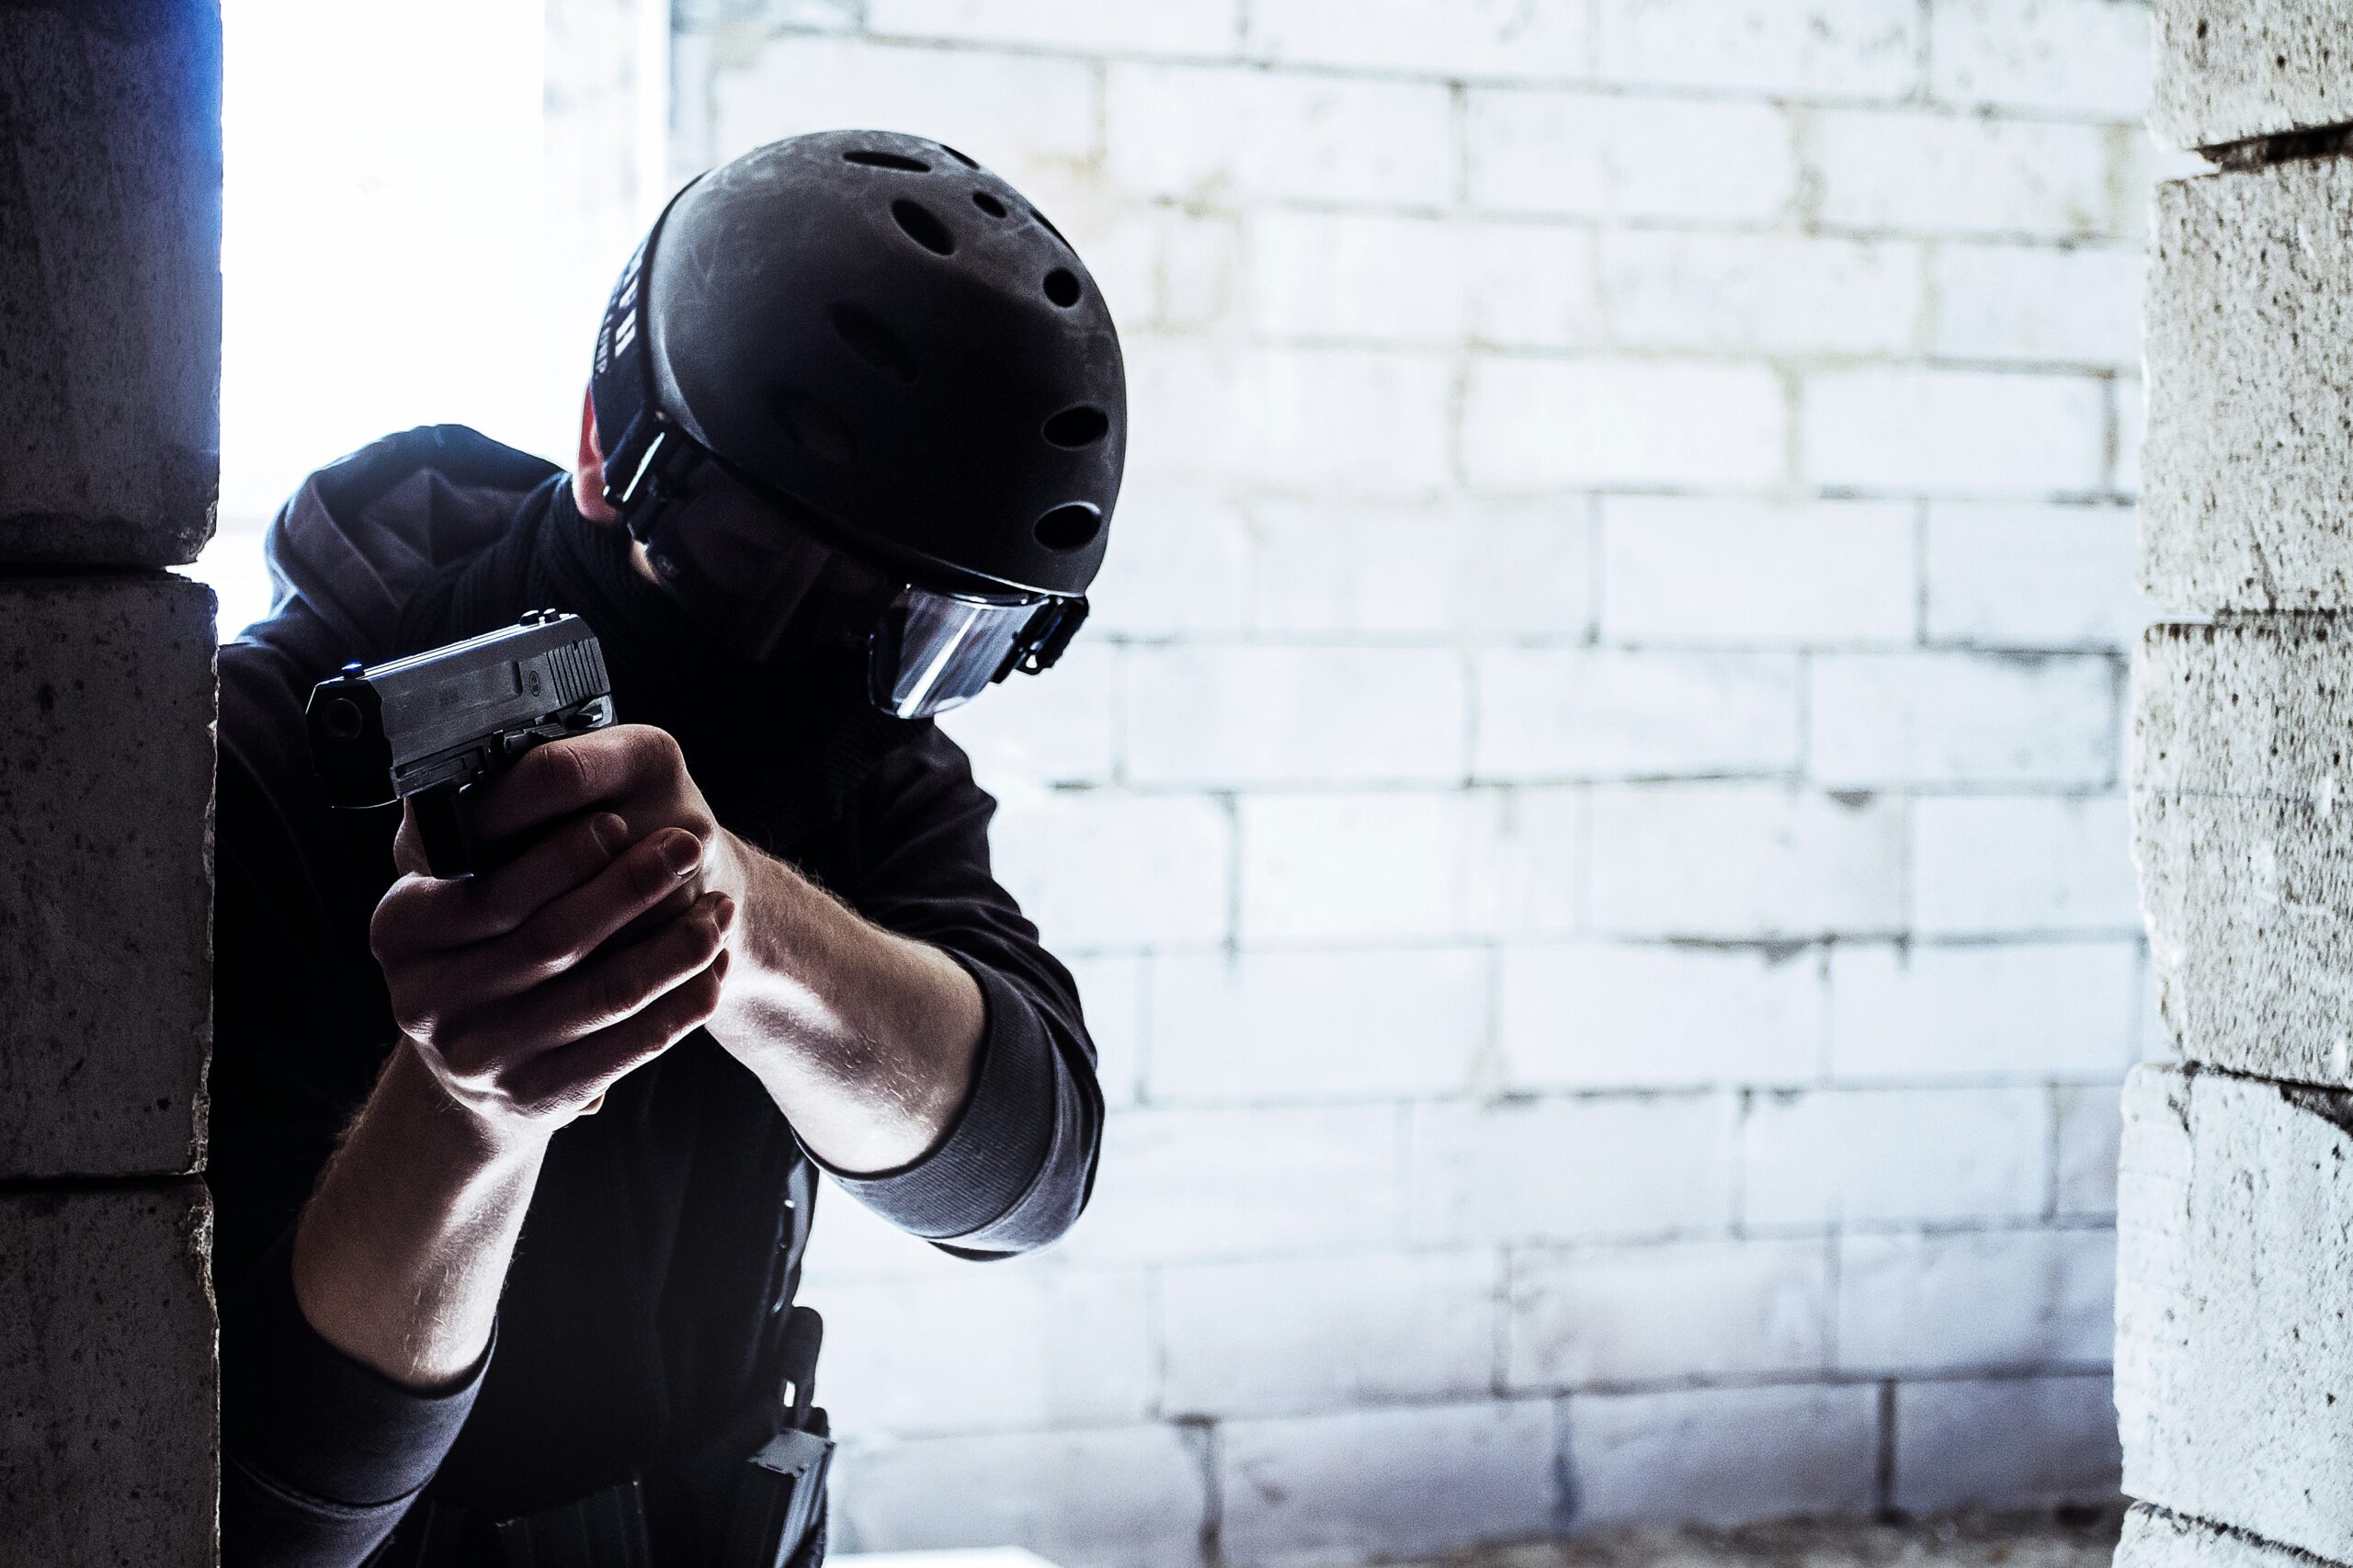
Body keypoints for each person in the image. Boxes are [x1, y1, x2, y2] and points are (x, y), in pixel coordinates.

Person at [210, 129, 1122, 1568]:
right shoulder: (265, 759)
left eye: (923, 634)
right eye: (762, 560)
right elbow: (263, 1515)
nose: (815, 662)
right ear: (604, 448)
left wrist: (751, 931)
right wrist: (467, 1110)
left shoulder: (869, 746)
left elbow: (1031, 1167)